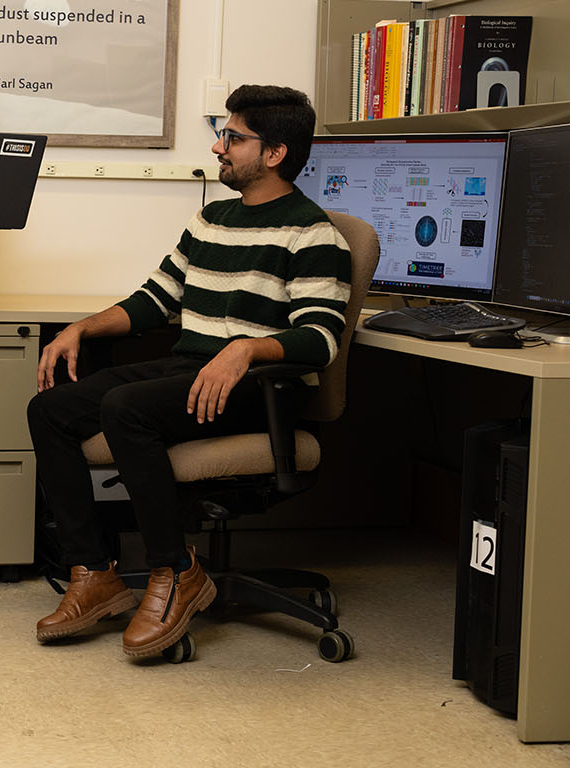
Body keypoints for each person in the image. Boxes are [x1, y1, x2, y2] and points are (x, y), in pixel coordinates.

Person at [26, 85, 351, 658]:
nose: (218, 146)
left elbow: (321, 337)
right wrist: (82, 327)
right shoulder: (210, 219)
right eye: (222, 134)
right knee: (51, 408)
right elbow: (156, 300)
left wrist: (248, 350)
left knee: (125, 409)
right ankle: (94, 571)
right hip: (192, 369)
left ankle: (175, 570)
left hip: (255, 390)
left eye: (233, 137)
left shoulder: (313, 233)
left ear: (274, 153)